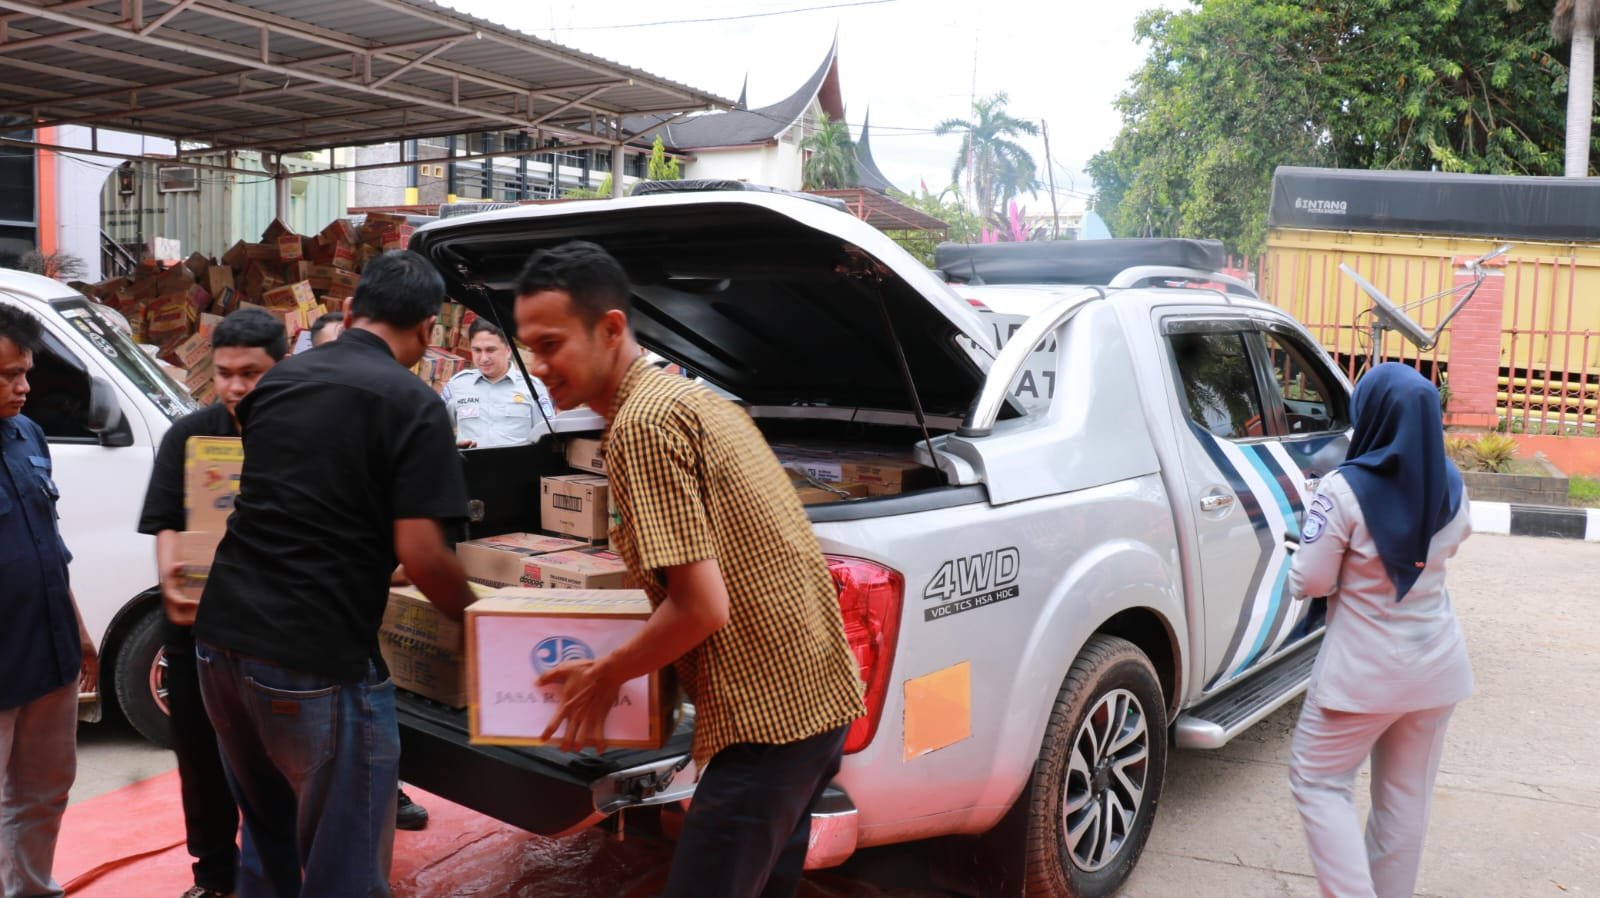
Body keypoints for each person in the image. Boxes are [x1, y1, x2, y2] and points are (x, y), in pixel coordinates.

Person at [513, 241, 865, 898]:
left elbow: (702, 607)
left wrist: (605, 675)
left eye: (552, 344)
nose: (538, 366)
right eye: (529, 346)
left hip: (768, 723)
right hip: (818, 705)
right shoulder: (697, 400)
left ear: (611, 328)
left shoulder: (641, 425)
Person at [192, 251, 477, 898]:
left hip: (220, 646)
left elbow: (305, 501)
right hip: (312, 657)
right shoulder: (414, 403)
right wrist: (484, 621)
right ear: (429, 329)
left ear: (348, 312)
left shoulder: (281, 383)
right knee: (343, 866)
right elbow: (425, 552)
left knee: (266, 843)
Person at [1287, 362, 1474, 898]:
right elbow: (1453, 541)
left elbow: (1313, 581)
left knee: (1318, 780)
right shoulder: (1451, 484)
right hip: (1436, 668)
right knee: (1405, 798)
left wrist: (1301, 558)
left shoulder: (1341, 488)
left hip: (1362, 674)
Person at [137, 309, 285, 898]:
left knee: (277, 759)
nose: (235, 386)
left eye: (251, 372)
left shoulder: (301, 437)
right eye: (224, 373)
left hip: (276, 627)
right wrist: (174, 586)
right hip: (198, 625)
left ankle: (279, 870)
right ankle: (215, 876)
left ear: (281, 368)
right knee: (200, 756)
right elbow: (165, 522)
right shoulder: (190, 436)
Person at [0, 305, 98, 898]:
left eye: (26, 371)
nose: (25, 387)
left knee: (44, 792)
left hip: (49, 654)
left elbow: (49, 545)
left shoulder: (28, 434)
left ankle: (32, 890)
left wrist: (80, 630)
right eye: (9, 374)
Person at [440, 318, 553, 448]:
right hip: (471, 467)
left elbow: (548, 438)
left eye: (490, 350)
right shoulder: (457, 385)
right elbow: (434, 431)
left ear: (508, 350)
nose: (483, 358)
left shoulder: (533, 387)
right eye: (477, 350)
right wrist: (453, 448)